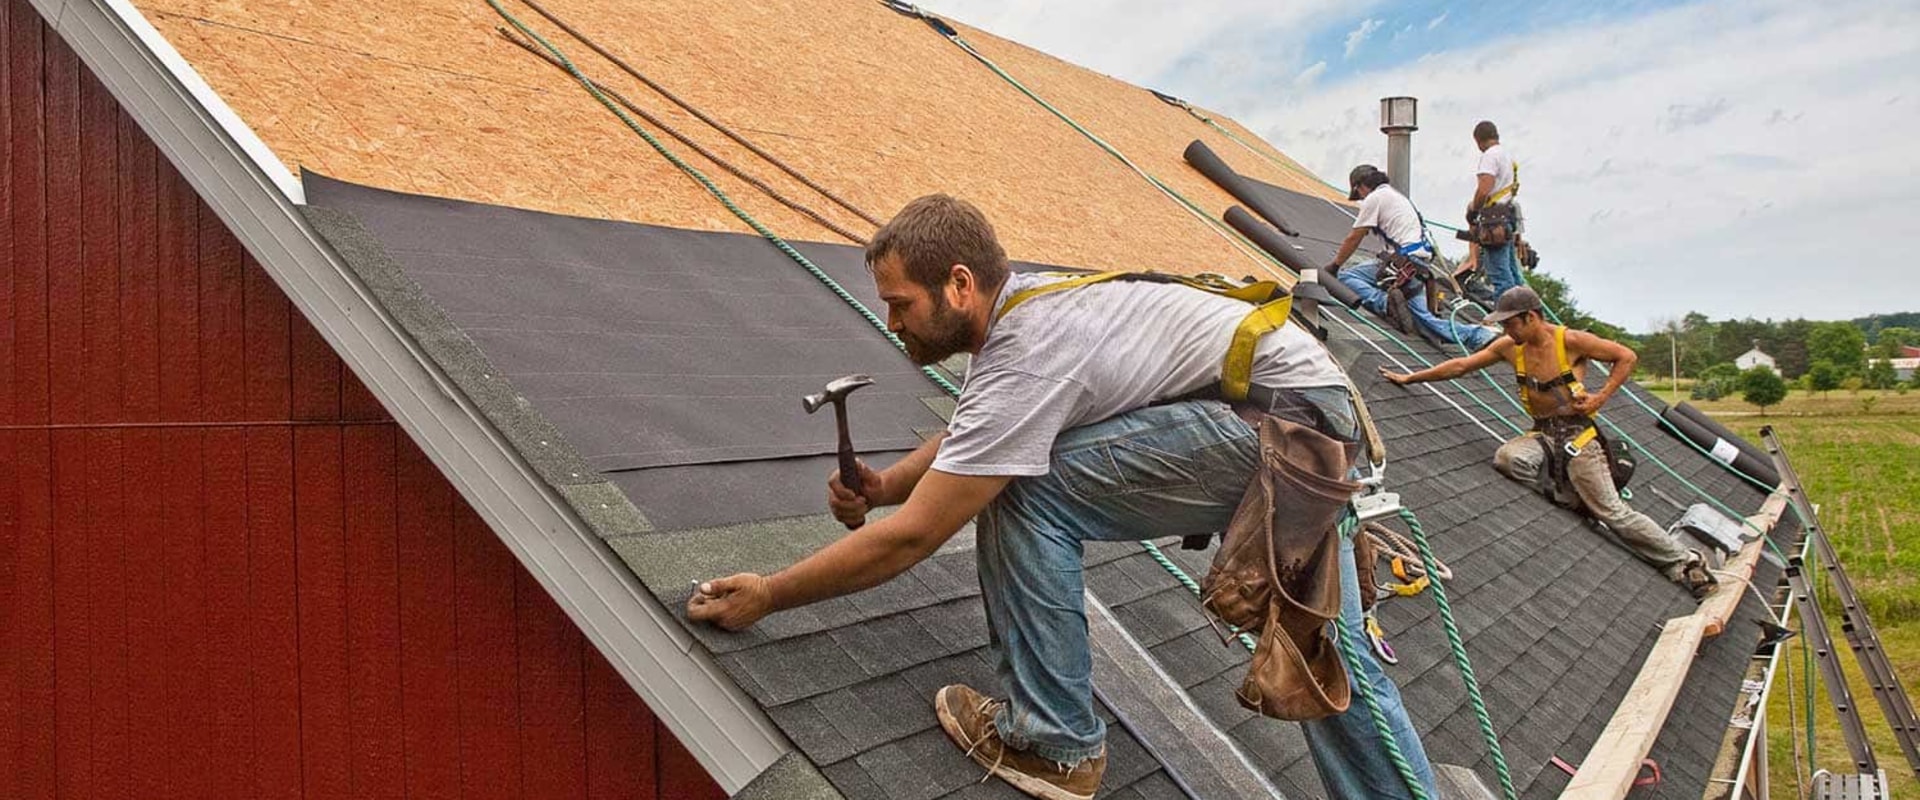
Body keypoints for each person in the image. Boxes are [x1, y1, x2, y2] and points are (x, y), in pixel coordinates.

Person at [688, 194, 1438, 800]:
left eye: (901, 304)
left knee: (1023, 490)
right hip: (1301, 416)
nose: (891, 324)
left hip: (1282, 427)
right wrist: (885, 485)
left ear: (958, 284)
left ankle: (1056, 743)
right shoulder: (1028, 308)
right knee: (1323, 648)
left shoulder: (1030, 353)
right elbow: (975, 432)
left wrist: (771, 594)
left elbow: (915, 537)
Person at [1378, 286, 1718, 597]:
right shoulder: (1510, 347)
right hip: (1543, 434)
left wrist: (1601, 397)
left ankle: (1685, 561)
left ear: (1532, 317)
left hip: (1578, 437)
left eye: (1511, 323)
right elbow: (1462, 366)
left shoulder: (1569, 341)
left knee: (1613, 513)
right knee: (1509, 459)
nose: (1507, 331)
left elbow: (1625, 356)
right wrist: (1410, 377)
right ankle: (1570, 496)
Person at [1326, 164, 1498, 352]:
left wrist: (1335, 266)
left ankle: (1386, 304)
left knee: (1346, 277)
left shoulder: (1374, 198)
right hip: (1415, 263)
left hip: (1404, 262)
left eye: (1359, 194)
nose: (1361, 199)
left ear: (1360, 186)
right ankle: (1479, 333)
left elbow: (1354, 237)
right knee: (1424, 323)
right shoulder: (1395, 196)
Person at [1466, 121, 1523, 298]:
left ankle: (1510, 320)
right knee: (1512, 274)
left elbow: (1484, 188)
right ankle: (1524, 312)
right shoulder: (1507, 155)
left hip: (1494, 221)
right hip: (1507, 216)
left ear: (1478, 140)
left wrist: (1474, 210)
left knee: (1500, 275)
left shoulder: (1490, 156)